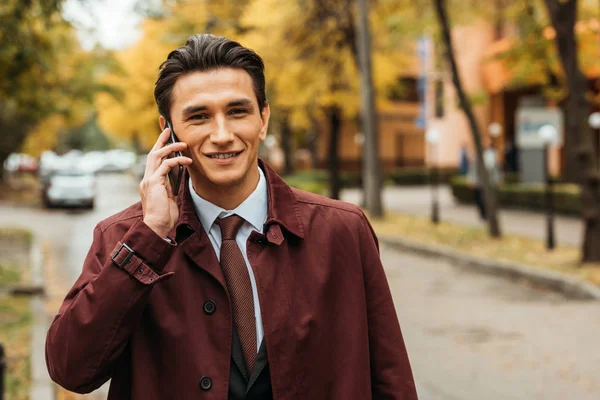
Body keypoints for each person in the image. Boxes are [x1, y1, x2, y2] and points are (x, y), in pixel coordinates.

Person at [45, 34, 418, 400]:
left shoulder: (343, 230)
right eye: (199, 117)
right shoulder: (124, 238)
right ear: (168, 131)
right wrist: (149, 238)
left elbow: (391, 378)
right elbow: (72, 370)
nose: (222, 135)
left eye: (237, 111)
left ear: (263, 119)